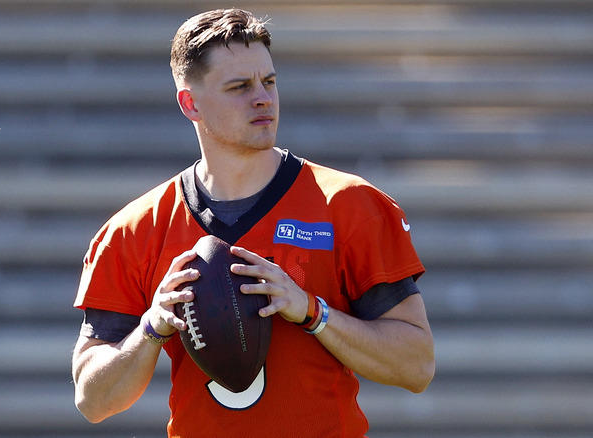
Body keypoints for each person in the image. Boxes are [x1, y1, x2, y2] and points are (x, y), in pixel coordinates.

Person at [71, 8, 434, 437]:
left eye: (270, 82)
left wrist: (313, 313)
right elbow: (92, 401)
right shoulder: (134, 231)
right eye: (240, 87)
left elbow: (417, 366)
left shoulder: (349, 204)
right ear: (190, 103)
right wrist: (152, 327)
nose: (263, 98)